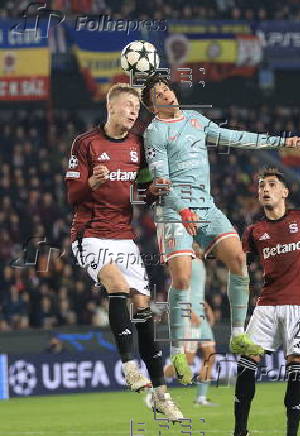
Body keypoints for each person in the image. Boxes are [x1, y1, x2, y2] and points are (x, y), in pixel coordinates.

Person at [142, 74, 300, 384]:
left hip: (206, 206)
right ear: (153, 106)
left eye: (167, 88)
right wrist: (182, 209)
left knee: (237, 258)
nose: (167, 93)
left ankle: (236, 335)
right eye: (158, 93)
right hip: (174, 209)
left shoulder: (194, 119)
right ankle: (178, 351)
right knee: (181, 277)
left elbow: (234, 137)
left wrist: (281, 142)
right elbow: (160, 181)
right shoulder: (154, 132)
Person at [65, 83, 183, 420]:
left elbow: (143, 192)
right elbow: (72, 195)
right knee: (116, 286)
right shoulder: (86, 143)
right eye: (129, 105)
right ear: (112, 107)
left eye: (136, 107)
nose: (134, 111)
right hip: (90, 235)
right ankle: (130, 367)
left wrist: (154, 190)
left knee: (144, 310)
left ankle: (161, 392)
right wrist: (92, 183)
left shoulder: (138, 145)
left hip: (123, 236)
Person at [233, 167, 300, 436]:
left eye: (272, 184)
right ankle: (240, 431)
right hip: (266, 305)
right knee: (246, 361)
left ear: (285, 192)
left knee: (297, 363)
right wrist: (207, 251)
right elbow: (239, 262)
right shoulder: (255, 230)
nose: (265, 189)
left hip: (299, 305)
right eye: (261, 185)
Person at [165, 243, 218, 406]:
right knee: (186, 362)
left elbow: (196, 290)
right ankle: (155, 386)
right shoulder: (186, 261)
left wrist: (206, 306)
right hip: (189, 317)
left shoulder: (200, 263)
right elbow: (179, 288)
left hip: (200, 315)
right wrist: (189, 311)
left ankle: (201, 398)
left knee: (210, 355)